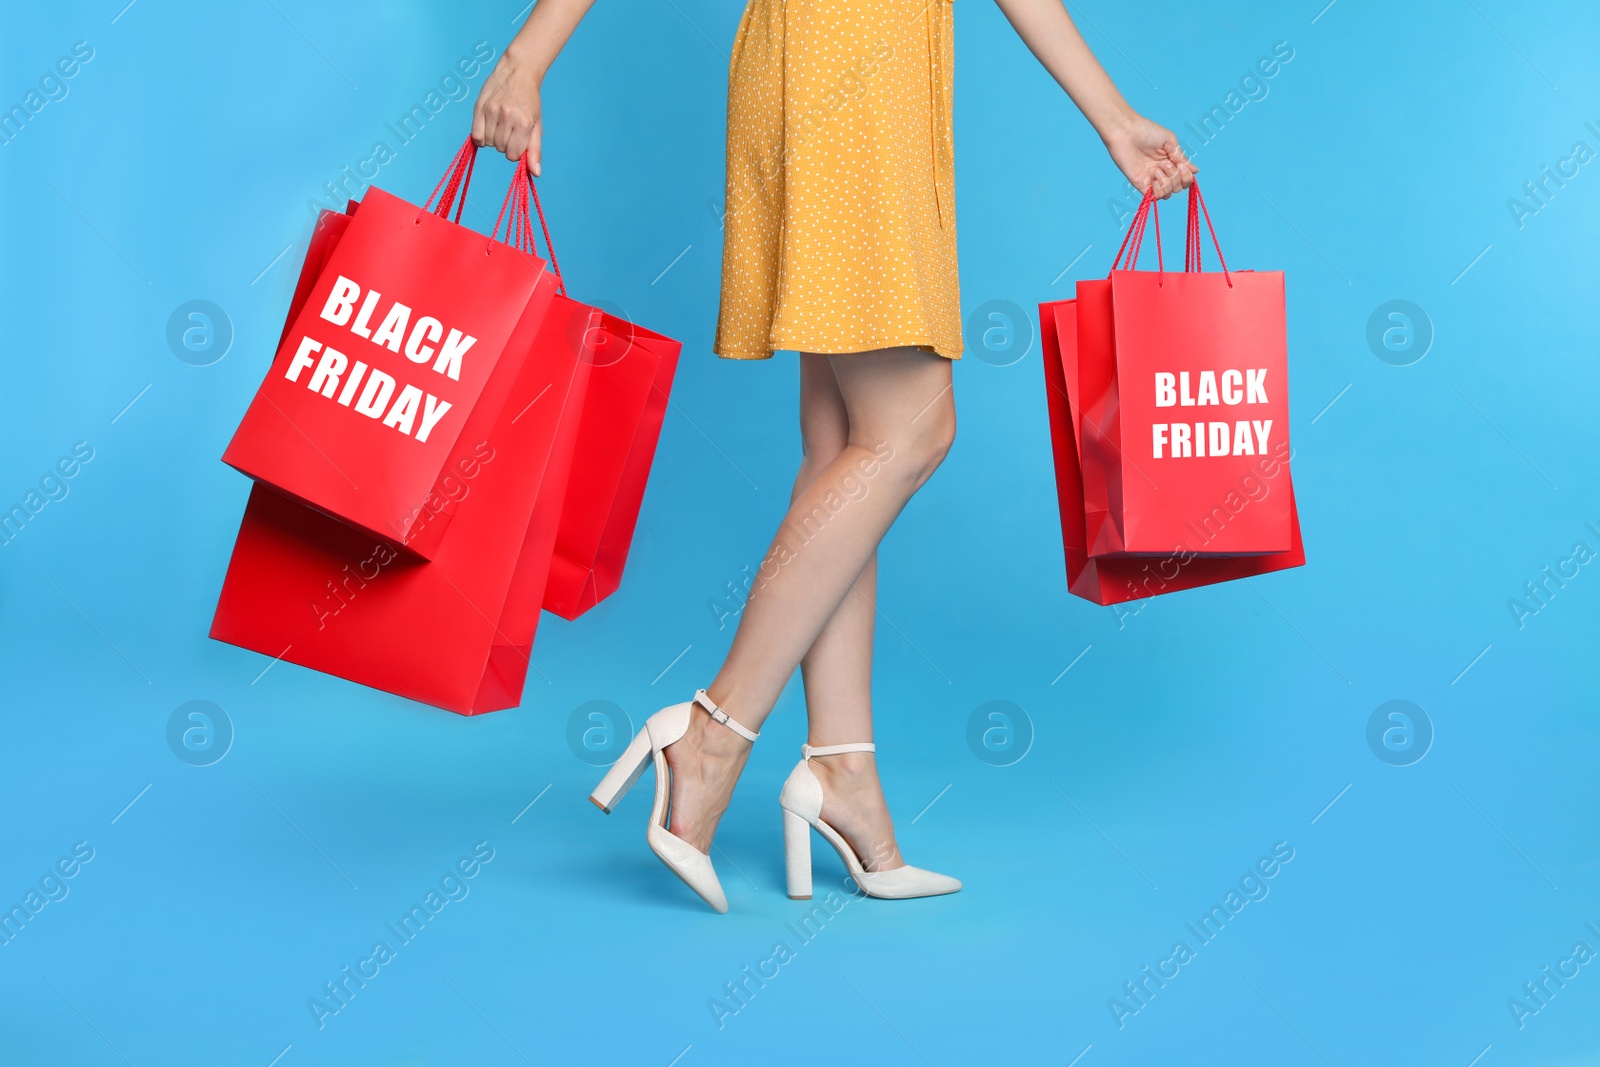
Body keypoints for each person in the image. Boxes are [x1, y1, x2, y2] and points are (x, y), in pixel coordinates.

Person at [474, 0, 1195, 912]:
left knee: (844, 447)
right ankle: (711, 731)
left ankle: (842, 770)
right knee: (911, 432)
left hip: (859, 64)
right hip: (846, 71)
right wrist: (526, 54)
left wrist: (1113, 117)